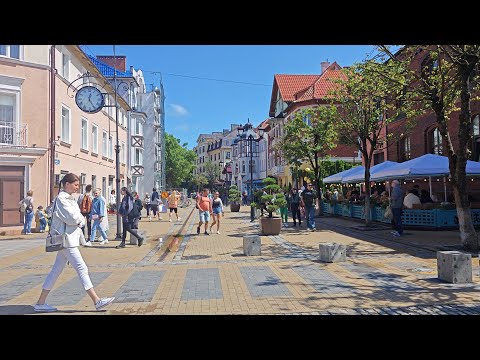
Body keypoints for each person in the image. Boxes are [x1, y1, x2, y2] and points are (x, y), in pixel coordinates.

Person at [33, 173, 115, 312]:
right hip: (67, 240)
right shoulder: (62, 199)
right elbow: (72, 218)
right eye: (75, 185)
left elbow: (76, 216)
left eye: (78, 185)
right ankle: (97, 301)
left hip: (68, 239)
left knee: (56, 271)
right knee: (82, 268)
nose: (77, 187)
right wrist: (81, 221)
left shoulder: (68, 198)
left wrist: (80, 222)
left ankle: (40, 303)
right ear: (67, 184)